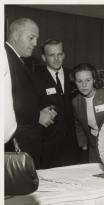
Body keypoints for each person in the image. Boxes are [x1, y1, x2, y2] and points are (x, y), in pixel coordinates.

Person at [5, 18, 57, 169]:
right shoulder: (5, 58)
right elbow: (8, 101)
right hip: (18, 140)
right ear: (15, 35)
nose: (35, 43)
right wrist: (37, 116)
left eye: (36, 39)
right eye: (31, 38)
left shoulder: (17, 59)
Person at [34, 39, 80, 169]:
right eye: (51, 55)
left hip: (73, 144)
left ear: (64, 55)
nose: (56, 59)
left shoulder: (74, 76)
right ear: (43, 57)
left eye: (59, 54)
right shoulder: (34, 78)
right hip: (47, 144)